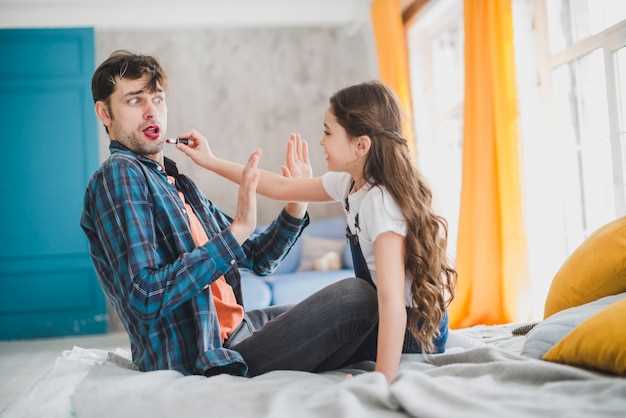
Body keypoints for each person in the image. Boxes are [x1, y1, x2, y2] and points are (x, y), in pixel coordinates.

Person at [81, 50, 381, 378]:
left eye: (158, 99)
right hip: (208, 356)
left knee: (371, 317)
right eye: (135, 101)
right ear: (105, 113)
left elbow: (259, 258)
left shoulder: (176, 183)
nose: (151, 111)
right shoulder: (119, 175)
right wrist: (237, 231)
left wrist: (296, 203)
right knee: (356, 297)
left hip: (240, 328)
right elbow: (145, 296)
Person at [176, 81, 457, 382]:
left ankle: (235, 364)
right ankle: (241, 347)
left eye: (328, 132)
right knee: (291, 317)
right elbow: (279, 186)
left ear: (361, 146)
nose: (321, 141)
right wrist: (210, 161)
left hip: (413, 334)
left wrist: (381, 379)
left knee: (354, 295)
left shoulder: (380, 203)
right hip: (380, 316)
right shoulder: (349, 184)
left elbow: (391, 302)